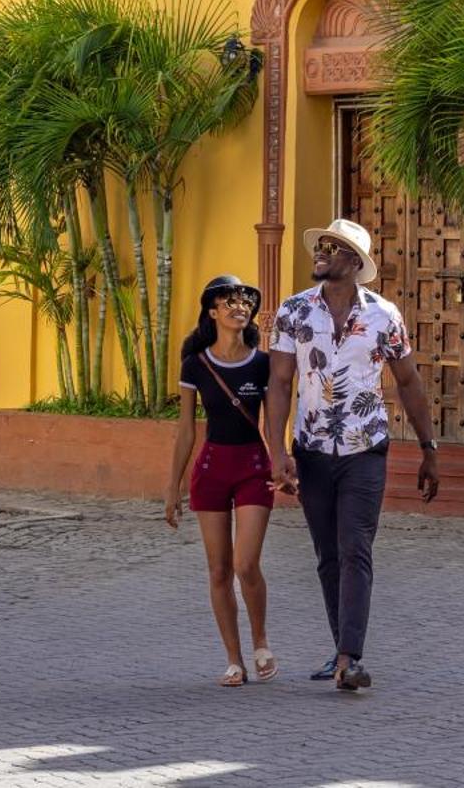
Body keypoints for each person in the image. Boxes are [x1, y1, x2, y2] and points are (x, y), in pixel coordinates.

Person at [264, 218, 440, 693]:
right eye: (320, 245)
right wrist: (276, 450)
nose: (320, 252)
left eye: (332, 247)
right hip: (314, 449)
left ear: (354, 262)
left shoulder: (384, 316)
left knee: (355, 548)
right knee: (327, 555)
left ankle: (349, 657)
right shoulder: (293, 312)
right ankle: (341, 649)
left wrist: (429, 448)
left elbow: (408, 382)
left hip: (366, 450)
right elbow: (279, 383)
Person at [164, 274, 277, 687]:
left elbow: (276, 420)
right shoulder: (195, 364)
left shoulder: (262, 364)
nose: (239, 307)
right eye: (229, 302)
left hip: (253, 467)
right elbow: (186, 431)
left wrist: (283, 463)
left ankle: (261, 642)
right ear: (212, 312)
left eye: (245, 302)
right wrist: (172, 488)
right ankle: (234, 660)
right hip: (211, 470)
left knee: (246, 564)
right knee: (218, 570)